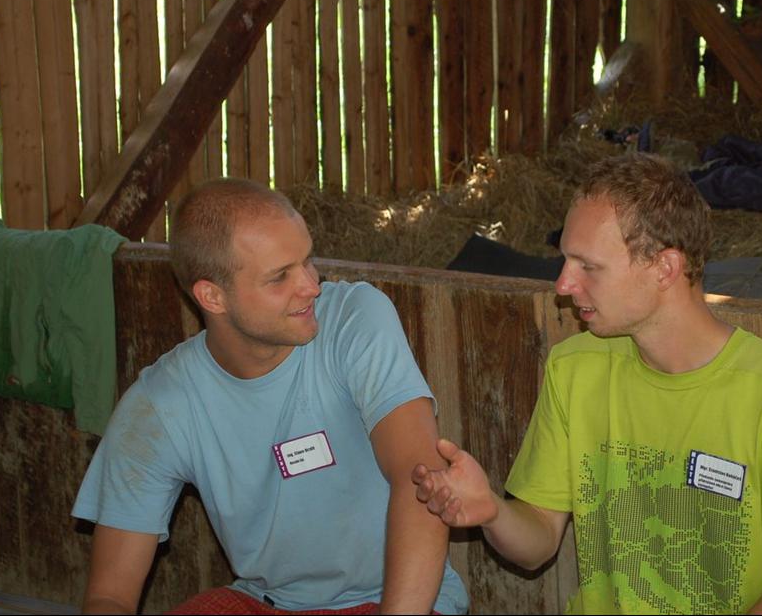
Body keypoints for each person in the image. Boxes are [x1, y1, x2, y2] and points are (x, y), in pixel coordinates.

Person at [412, 153, 762, 614]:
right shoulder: (575, 368)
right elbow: (538, 541)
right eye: (565, 260)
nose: (563, 284)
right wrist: (492, 511)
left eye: (588, 266)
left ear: (664, 268)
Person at [72, 178, 468, 615]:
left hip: (391, 600)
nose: (311, 286)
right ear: (212, 296)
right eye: (280, 277)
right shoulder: (160, 404)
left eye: (308, 260)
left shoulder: (355, 320)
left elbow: (422, 480)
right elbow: (109, 596)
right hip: (265, 602)